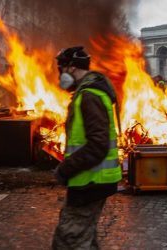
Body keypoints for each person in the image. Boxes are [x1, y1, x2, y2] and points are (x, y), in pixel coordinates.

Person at [52, 46, 122, 250]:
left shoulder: (89, 95)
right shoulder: (90, 91)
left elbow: (97, 145)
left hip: (90, 180)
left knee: (69, 239)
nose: (60, 75)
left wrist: (65, 169)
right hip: (91, 179)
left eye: (61, 68)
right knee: (85, 238)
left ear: (71, 68)